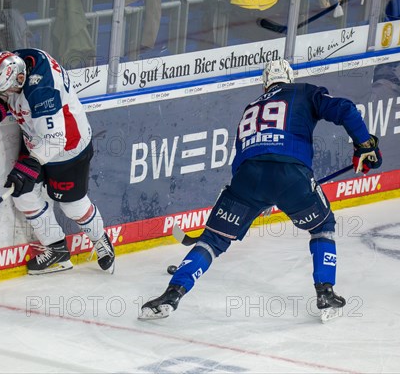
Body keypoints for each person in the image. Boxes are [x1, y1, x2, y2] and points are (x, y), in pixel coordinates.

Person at [138, 59, 382, 321]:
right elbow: (346, 109)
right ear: (290, 77)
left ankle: (172, 293)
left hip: (247, 180)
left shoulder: (251, 107)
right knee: (323, 227)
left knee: (212, 241)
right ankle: (325, 292)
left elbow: (244, 157)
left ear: (265, 83)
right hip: (291, 176)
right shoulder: (304, 91)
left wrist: (258, 198)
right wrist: (364, 143)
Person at [0, 49, 116, 275]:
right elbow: (17, 95)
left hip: (67, 148)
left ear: (20, 77)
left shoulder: (42, 91)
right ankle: (56, 249)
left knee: (72, 205)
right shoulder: (22, 60)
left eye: (8, 89)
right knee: (22, 194)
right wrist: (0, 104)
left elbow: (55, 139)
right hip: (36, 138)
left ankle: (100, 240)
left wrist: (30, 165)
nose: (7, 92)